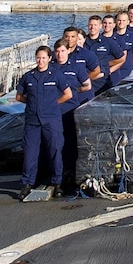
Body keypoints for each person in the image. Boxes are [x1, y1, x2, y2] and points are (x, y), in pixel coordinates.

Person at [15, 46, 72, 199]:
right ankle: (27, 183)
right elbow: (19, 96)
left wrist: (53, 104)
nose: (41, 61)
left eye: (43, 58)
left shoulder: (56, 75)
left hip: (51, 118)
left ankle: (57, 183)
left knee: (54, 150)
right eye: (38, 58)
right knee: (30, 152)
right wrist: (31, 103)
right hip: (33, 120)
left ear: (49, 58)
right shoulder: (29, 76)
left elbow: (68, 94)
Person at [52, 40, 91, 194]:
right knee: (56, 144)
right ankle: (57, 174)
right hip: (54, 111)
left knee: (71, 143)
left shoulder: (76, 67)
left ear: (67, 51)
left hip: (70, 110)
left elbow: (87, 85)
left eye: (62, 51)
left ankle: (71, 173)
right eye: (57, 51)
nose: (60, 54)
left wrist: (73, 92)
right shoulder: (51, 68)